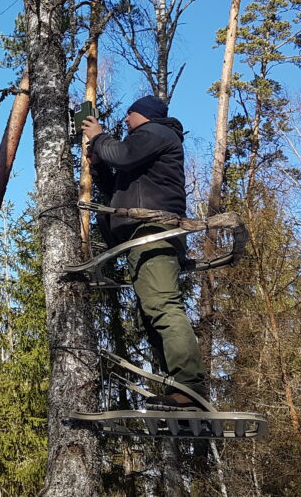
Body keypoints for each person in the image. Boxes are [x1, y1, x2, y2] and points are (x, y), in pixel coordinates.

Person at [81, 95, 206, 410]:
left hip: (153, 232)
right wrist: (98, 168)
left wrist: (98, 137)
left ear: (144, 116)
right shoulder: (145, 145)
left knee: (162, 306)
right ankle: (181, 390)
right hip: (141, 235)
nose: (125, 120)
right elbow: (118, 192)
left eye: (130, 114)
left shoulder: (156, 133)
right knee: (152, 314)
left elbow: (121, 155)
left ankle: (190, 388)